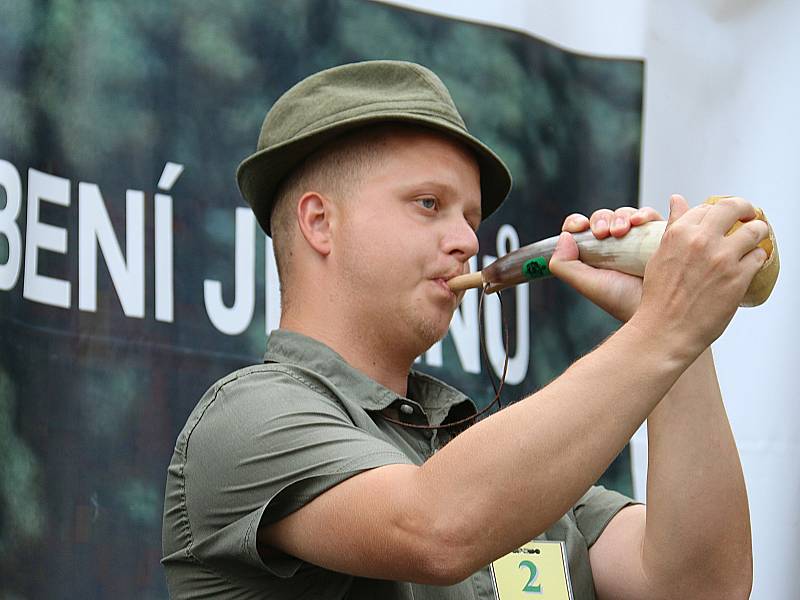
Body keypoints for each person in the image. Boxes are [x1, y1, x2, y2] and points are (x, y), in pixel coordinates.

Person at [162, 60, 766, 599]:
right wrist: (664, 328)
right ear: (320, 222)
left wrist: (677, 336)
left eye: (471, 217)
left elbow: (701, 585)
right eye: (429, 203)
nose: (468, 241)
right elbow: (436, 527)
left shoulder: (495, 459)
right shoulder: (248, 419)